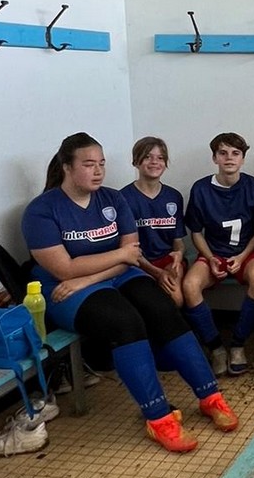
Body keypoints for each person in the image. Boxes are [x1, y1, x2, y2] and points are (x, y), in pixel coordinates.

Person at [21, 132, 239, 453]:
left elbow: (131, 255)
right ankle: (158, 417)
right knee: (126, 323)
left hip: (108, 276)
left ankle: (210, 397)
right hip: (63, 291)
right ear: (66, 166)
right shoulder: (41, 210)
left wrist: (93, 274)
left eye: (102, 163)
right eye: (88, 164)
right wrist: (110, 263)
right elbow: (64, 269)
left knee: (164, 310)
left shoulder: (112, 199)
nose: (98, 171)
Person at [181, 132, 254, 376]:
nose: (229, 158)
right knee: (189, 285)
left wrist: (242, 257)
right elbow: (196, 232)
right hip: (213, 253)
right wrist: (209, 258)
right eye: (223, 153)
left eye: (235, 153)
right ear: (214, 158)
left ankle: (238, 344)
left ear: (243, 159)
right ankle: (216, 347)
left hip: (245, 253)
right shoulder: (201, 188)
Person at [119, 136, 187, 307]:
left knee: (177, 299)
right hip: (137, 264)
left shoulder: (174, 196)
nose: (154, 162)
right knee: (152, 303)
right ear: (136, 161)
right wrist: (156, 273)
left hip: (167, 261)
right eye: (148, 157)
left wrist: (178, 254)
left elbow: (178, 241)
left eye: (160, 158)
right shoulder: (122, 198)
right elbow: (127, 248)